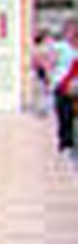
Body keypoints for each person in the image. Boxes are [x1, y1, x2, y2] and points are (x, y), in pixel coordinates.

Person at [51, 17, 78, 155]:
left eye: (75, 30)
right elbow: (50, 62)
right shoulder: (59, 47)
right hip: (62, 84)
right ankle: (65, 142)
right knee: (64, 115)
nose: (73, 33)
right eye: (70, 30)